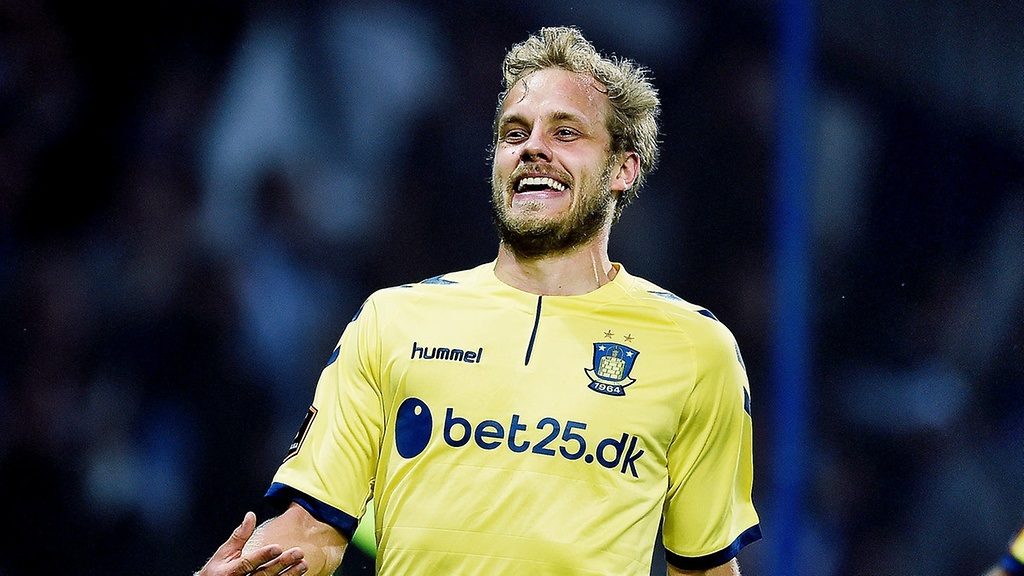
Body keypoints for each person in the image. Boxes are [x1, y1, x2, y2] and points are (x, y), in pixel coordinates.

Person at [196, 25, 760, 576]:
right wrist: (251, 567)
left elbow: (705, 567)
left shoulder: (695, 349)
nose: (533, 147)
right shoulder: (392, 321)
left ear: (622, 168)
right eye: (515, 133)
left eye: (566, 133)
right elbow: (311, 531)